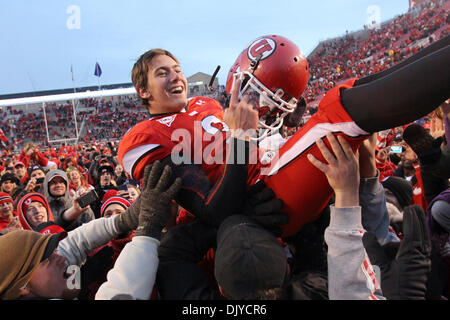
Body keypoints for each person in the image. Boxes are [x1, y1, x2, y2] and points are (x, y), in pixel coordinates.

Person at [118, 34, 449, 238]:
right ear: (143, 90)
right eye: (163, 73)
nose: (176, 77)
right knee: (339, 117)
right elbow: (214, 209)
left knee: (346, 92)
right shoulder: (143, 137)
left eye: (177, 69)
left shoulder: (203, 103)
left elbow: (243, 138)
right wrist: (245, 139)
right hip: (261, 200)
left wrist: (271, 126)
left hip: (268, 169)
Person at [0, 161, 182, 300]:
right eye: (47, 259)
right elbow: (122, 294)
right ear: (22, 286)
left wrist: (124, 220)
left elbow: (74, 243)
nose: (62, 257)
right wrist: (148, 230)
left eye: (54, 251)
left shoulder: (37, 283)